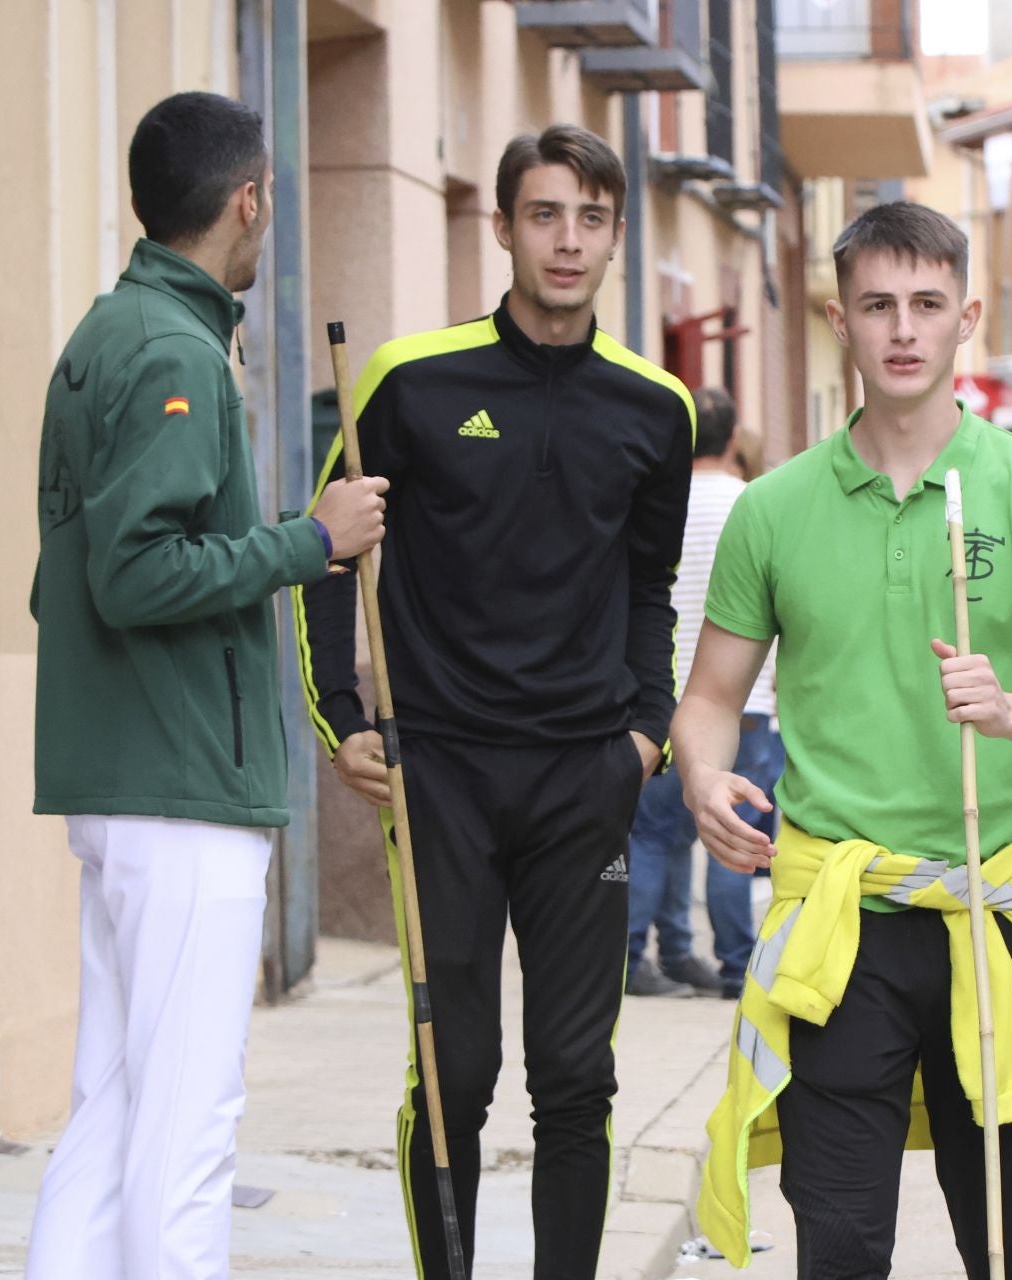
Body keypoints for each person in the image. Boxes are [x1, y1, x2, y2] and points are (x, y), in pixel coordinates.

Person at [680, 202, 1012, 1278]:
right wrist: (703, 775)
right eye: (877, 305)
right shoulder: (773, 508)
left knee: (1006, 1249)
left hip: (996, 915)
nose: (903, 328)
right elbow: (711, 694)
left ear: (969, 317)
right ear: (839, 321)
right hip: (841, 920)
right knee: (841, 1245)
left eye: (927, 304)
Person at [296, 125, 694, 1277]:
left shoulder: (654, 408)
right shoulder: (410, 383)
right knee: (453, 1069)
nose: (567, 241)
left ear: (616, 234)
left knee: (576, 1078)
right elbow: (325, 553)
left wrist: (643, 736)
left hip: (586, 780)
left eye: (590, 217)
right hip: (445, 780)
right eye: (544, 214)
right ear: (504, 226)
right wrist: (346, 719)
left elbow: (648, 587)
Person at [25, 92, 388, 1279]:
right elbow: (134, 572)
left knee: (115, 1112)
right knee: (186, 1131)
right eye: (269, 194)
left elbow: (76, 575)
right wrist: (310, 542)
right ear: (248, 199)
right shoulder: (176, 350)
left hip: (130, 774)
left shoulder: (110, 332)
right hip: (180, 785)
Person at [625, 387, 778, 999]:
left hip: (664, 699)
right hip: (743, 705)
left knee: (655, 834)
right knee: (734, 840)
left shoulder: (659, 504)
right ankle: (737, 966)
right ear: (734, 440)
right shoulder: (755, 504)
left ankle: (648, 955)